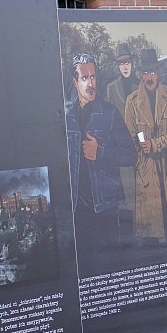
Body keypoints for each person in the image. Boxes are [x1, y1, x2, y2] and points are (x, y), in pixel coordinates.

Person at [66, 53, 137, 244]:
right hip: (77, 211)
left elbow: (131, 156)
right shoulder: (68, 119)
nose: (90, 83)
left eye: (93, 77)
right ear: (75, 82)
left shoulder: (109, 113)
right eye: (84, 78)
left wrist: (100, 153)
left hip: (105, 208)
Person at [123, 49, 167, 242]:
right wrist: (142, 143)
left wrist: (154, 144)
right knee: (149, 233)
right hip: (144, 170)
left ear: (158, 73)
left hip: (165, 169)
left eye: (153, 72)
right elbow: (129, 135)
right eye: (146, 73)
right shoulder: (132, 102)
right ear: (141, 75)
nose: (150, 77)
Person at [104, 43, 139, 115]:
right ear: (118, 66)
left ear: (132, 64)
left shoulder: (140, 85)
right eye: (121, 64)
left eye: (127, 63)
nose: (125, 67)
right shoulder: (112, 88)